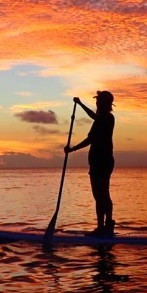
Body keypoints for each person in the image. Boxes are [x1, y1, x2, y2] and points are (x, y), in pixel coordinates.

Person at [65, 90, 116, 237]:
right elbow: (94, 116)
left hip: (100, 162)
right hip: (105, 161)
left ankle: (102, 228)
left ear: (102, 103)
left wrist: (72, 149)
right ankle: (107, 226)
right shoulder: (107, 118)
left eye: (98, 101)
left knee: (100, 196)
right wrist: (80, 104)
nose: (96, 103)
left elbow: (90, 139)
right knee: (104, 194)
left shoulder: (103, 120)